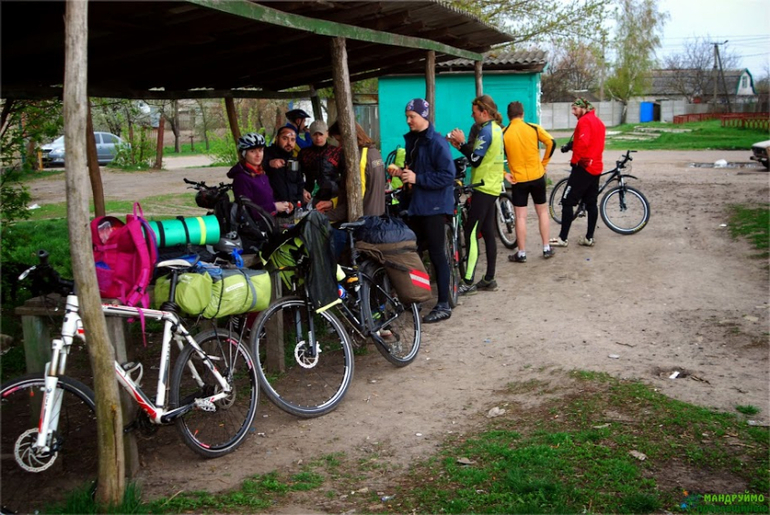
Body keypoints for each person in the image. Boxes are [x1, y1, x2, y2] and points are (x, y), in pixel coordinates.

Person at [387, 98, 455, 324]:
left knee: (437, 254)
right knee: (412, 252)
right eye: (407, 117)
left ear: (423, 116)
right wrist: (402, 174)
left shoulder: (437, 142)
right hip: (416, 205)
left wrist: (418, 178)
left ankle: (443, 304)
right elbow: (415, 172)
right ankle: (415, 296)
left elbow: (448, 175)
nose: (408, 121)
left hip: (434, 206)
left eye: (411, 117)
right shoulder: (413, 141)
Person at [447, 94, 505, 295]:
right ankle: (489, 277)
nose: (472, 116)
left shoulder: (485, 132)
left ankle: (469, 281)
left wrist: (462, 144)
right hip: (493, 186)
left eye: (474, 113)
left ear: (484, 112)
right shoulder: (497, 129)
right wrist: (460, 146)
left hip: (483, 187)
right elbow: (481, 156)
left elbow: (475, 160)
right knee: (488, 232)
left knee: (471, 232)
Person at [502, 101, 556, 262]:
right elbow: (551, 142)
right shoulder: (533, 128)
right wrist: (544, 163)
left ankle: (522, 253)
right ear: (522, 113)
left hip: (518, 179)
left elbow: (495, 156)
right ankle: (546, 247)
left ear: (508, 115)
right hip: (537, 175)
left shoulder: (504, 133)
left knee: (521, 217)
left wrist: (504, 173)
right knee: (542, 212)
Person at [550, 98, 606, 248]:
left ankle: (562, 238)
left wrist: (574, 161)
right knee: (591, 203)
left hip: (584, 167)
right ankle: (589, 238)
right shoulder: (599, 122)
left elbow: (583, 143)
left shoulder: (584, 121)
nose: (573, 112)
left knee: (567, 201)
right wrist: (569, 146)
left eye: (575, 109)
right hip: (596, 167)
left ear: (583, 108)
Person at [325, 121, 386, 222]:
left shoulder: (360, 159)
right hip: (377, 219)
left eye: (340, 140)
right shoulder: (374, 153)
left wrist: (325, 217)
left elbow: (356, 199)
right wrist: (333, 203)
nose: (339, 146)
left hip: (364, 222)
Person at [227, 132, 294, 217]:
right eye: (252, 151)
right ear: (244, 154)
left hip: (268, 224)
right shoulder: (241, 178)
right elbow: (246, 211)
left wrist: (282, 206)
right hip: (254, 228)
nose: (258, 155)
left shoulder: (261, 173)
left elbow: (266, 201)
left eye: (260, 150)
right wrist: (274, 207)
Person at [298, 119, 343, 208]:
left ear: (327, 134)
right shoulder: (304, 153)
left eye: (321, 134)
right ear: (310, 135)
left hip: (333, 198)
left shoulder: (337, 152)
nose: (318, 138)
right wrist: (302, 190)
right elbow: (296, 175)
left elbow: (345, 176)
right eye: (315, 134)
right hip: (311, 198)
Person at [264, 126, 310, 210]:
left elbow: (299, 182)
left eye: (292, 140)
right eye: (285, 138)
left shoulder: (293, 159)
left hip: (292, 209)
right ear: (277, 138)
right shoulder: (266, 153)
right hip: (272, 209)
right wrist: (269, 163)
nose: (289, 143)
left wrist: (299, 205)